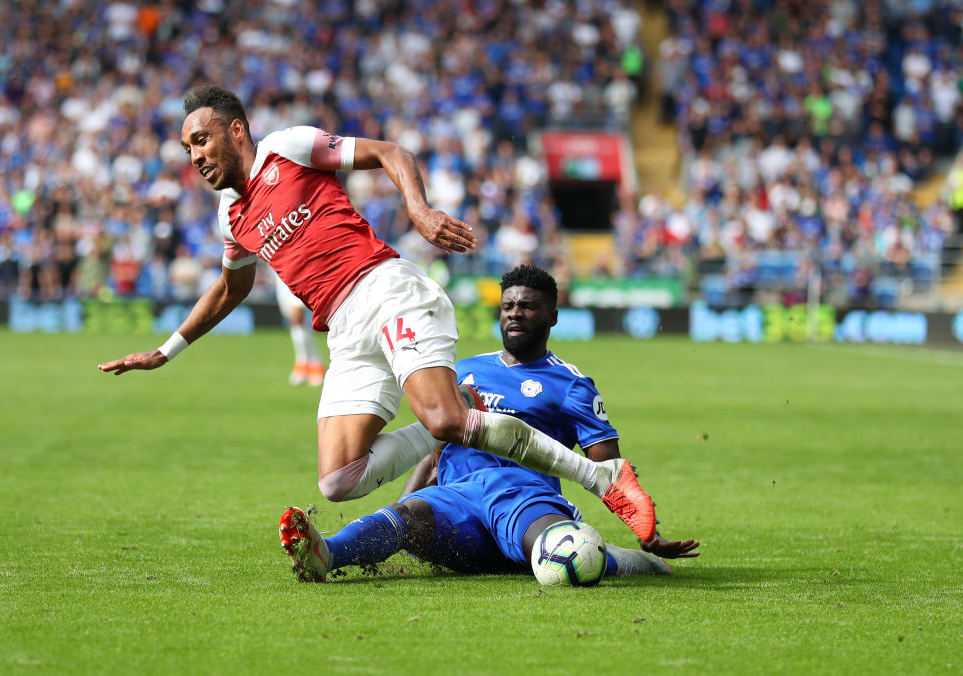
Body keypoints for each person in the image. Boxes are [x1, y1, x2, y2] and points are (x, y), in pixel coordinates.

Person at [97, 84, 655, 541]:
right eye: (186, 149)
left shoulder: (287, 148)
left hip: (387, 290)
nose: (194, 157)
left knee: (444, 422)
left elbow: (391, 152)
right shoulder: (231, 217)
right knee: (339, 480)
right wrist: (165, 351)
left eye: (200, 141)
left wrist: (417, 209)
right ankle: (461, 406)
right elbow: (228, 289)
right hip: (344, 330)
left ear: (234, 130)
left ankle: (602, 477)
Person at [279, 265, 699, 582]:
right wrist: (400, 504)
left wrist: (646, 529)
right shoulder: (463, 370)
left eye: (528, 306)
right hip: (458, 500)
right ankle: (326, 554)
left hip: (524, 500)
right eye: (508, 306)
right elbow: (437, 449)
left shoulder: (572, 386)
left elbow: (609, 469)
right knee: (405, 520)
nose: (515, 314)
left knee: (561, 547)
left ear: (552, 316)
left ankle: (635, 560)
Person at [276, 276, 326, 386]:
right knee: (293, 320)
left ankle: (308, 364)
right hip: (277, 271)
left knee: (297, 315)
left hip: (295, 268)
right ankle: (310, 363)